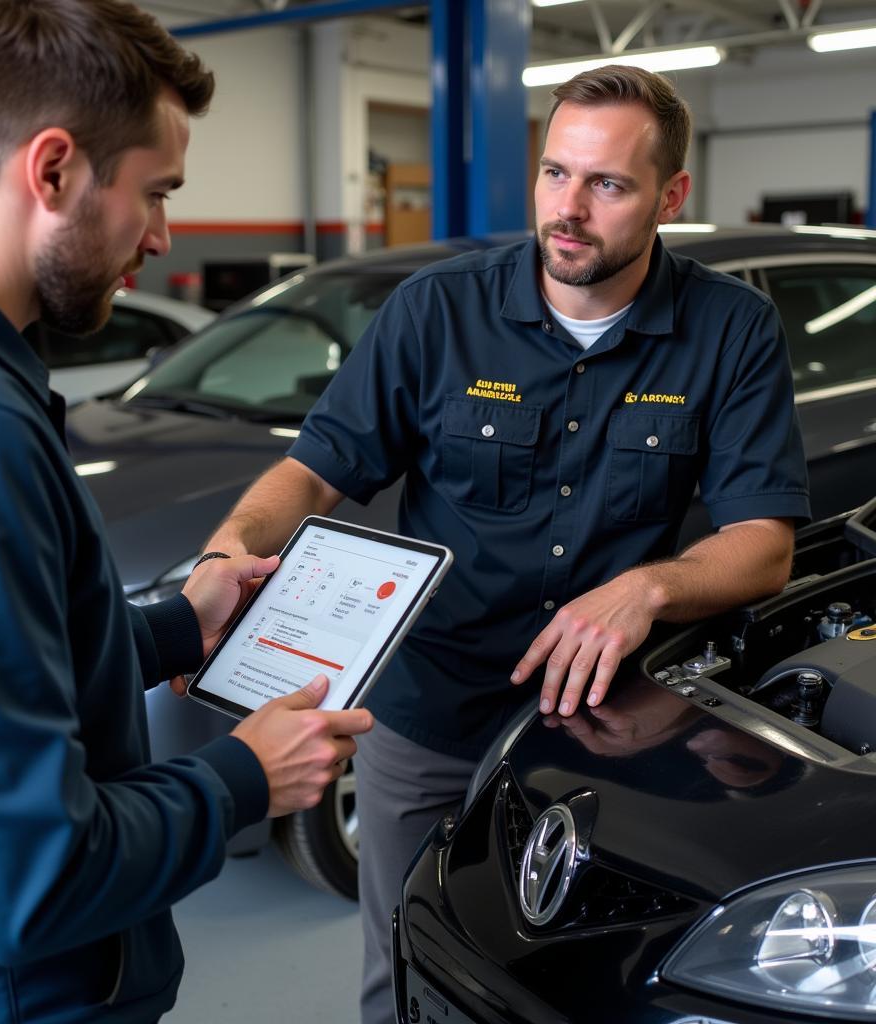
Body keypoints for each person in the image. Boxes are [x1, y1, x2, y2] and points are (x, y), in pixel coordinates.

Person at [202, 65, 810, 1023]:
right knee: (404, 969)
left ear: (670, 194)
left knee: (568, 984)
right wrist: (226, 549)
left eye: (606, 184)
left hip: (608, 731)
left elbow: (762, 544)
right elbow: (315, 470)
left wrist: (646, 590)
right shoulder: (437, 312)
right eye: (555, 173)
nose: (569, 209)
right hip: (428, 716)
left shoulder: (730, 331)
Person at [0, 2, 373, 1021]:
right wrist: (241, 775)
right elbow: (29, 879)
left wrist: (185, 622)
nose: (165, 234)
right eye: (155, 192)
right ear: (52, 170)